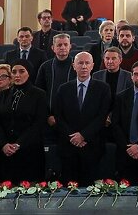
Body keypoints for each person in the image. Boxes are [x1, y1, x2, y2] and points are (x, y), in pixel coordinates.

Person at [53, 51, 111, 186]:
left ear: (92, 66)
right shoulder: (63, 89)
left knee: (91, 189)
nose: (84, 66)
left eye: (87, 63)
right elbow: (59, 117)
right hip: (68, 147)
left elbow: (102, 116)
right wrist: (74, 137)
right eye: (80, 63)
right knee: (69, 188)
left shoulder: (103, 88)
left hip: (92, 146)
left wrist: (83, 136)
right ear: (74, 66)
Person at [0, 59, 47, 183]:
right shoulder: (2, 95)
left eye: (21, 71)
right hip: (4, 152)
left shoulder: (39, 95)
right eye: (14, 72)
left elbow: (38, 124)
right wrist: (4, 144)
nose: (17, 75)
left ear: (29, 73)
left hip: (29, 152)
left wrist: (18, 144)